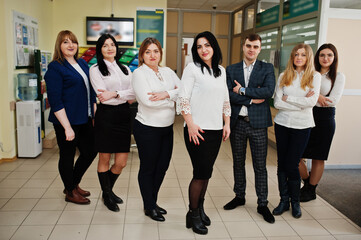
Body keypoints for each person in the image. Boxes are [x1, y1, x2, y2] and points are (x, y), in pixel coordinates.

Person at [177, 31, 231, 235]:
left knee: (206, 173)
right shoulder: (192, 68)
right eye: (199, 47)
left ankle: (200, 209)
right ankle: (192, 213)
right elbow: (183, 98)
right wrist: (190, 124)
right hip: (197, 130)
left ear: (214, 47)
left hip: (216, 130)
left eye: (207, 45)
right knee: (200, 174)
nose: (203, 49)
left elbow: (225, 99)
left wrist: (226, 123)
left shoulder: (221, 71)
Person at [224, 33, 275, 224]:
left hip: (258, 124)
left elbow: (268, 91)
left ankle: (262, 203)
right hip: (238, 123)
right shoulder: (232, 69)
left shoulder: (267, 68)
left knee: (260, 166)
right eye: (248, 46)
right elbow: (229, 94)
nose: (251, 49)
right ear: (243, 47)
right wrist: (253, 98)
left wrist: (243, 90)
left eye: (255, 46)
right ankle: (240, 196)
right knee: (238, 162)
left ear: (259, 49)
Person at [44, 30, 97, 204]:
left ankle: (73, 183)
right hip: (66, 121)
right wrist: (67, 127)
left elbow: (89, 91)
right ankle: (70, 191)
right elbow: (55, 100)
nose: (70, 45)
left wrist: (94, 113)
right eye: (66, 42)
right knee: (67, 156)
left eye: (73, 41)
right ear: (59, 45)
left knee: (90, 151)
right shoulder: (55, 67)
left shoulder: (82, 63)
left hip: (84, 118)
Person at [132, 37, 181, 222]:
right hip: (147, 128)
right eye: (148, 52)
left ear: (161, 53)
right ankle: (149, 206)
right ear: (142, 55)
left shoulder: (167, 71)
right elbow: (147, 101)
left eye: (156, 51)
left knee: (162, 167)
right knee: (148, 168)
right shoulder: (139, 74)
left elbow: (183, 90)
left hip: (166, 128)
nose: (153, 55)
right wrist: (171, 100)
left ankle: (152, 201)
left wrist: (166, 94)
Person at [273, 43, 321, 218]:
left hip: (302, 126)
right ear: (292, 57)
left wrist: (289, 99)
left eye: (303, 55)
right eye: (296, 54)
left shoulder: (314, 76)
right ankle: (283, 201)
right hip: (282, 123)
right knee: (281, 163)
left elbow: (311, 102)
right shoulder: (285, 75)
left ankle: (295, 202)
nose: (299, 57)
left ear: (308, 57)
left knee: (292, 163)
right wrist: (299, 103)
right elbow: (277, 102)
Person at [89, 34, 135, 212]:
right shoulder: (95, 69)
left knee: (121, 162)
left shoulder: (125, 69)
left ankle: (107, 190)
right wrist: (122, 94)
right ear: (100, 49)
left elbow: (133, 94)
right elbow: (103, 97)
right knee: (105, 158)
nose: (110, 48)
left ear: (117, 47)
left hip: (123, 115)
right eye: (105, 45)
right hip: (106, 116)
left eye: (112, 45)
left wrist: (115, 93)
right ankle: (107, 193)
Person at [299, 43, 345, 202]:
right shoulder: (309, 73)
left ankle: (311, 190)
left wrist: (315, 96)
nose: (325, 58)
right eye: (322, 55)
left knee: (318, 157)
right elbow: (301, 93)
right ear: (317, 57)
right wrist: (317, 98)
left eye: (329, 55)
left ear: (334, 58)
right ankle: (307, 182)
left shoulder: (338, 76)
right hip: (306, 116)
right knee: (297, 155)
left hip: (325, 119)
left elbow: (333, 101)